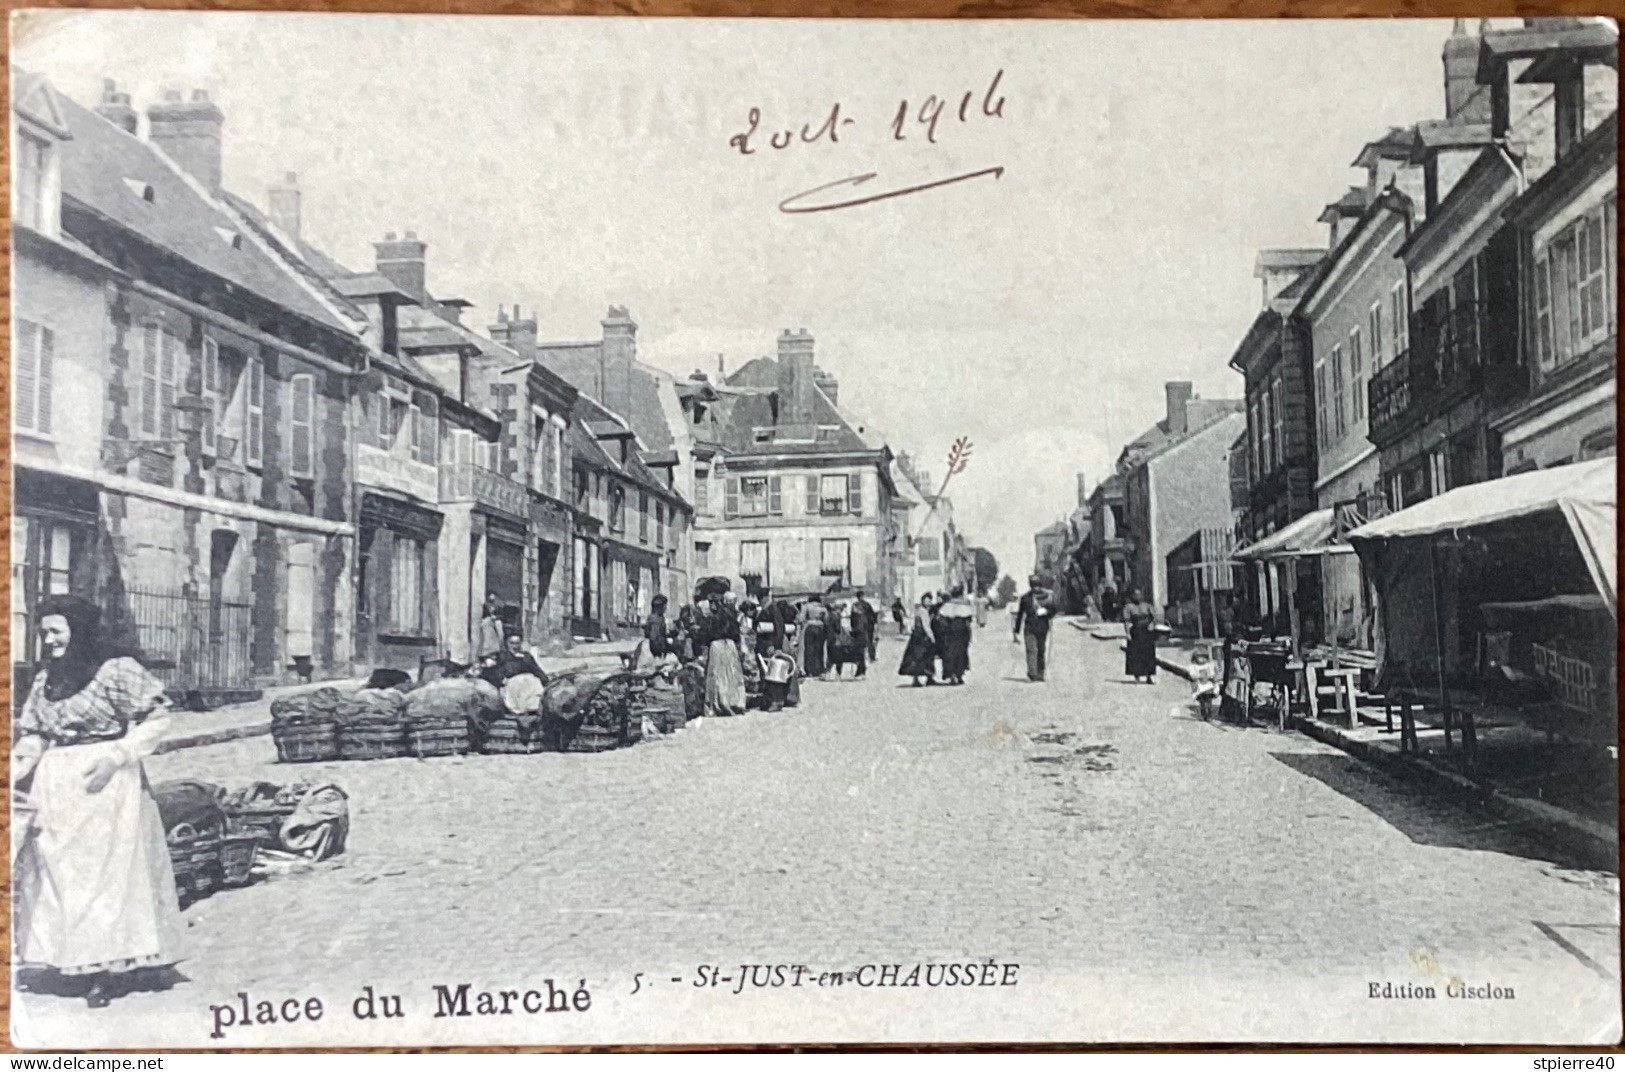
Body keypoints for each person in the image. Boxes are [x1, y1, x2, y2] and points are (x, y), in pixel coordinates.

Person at [13, 595, 182, 1008]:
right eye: (43, 632)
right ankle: (64, 961)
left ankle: (104, 972)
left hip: (105, 785)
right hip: (56, 786)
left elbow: (157, 718)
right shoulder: (46, 679)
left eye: (56, 631)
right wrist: (17, 767)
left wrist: (117, 757)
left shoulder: (117, 671)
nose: (48, 640)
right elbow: (35, 732)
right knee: (57, 875)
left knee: (103, 879)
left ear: (79, 630)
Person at [481, 629, 551, 714]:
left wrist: (546, 681)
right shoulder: (501, 656)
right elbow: (492, 672)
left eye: (517, 643)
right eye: (512, 643)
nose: (515, 646)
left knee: (535, 689)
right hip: (513, 684)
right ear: (506, 643)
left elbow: (536, 670)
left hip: (529, 684)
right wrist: (501, 679)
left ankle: (532, 708)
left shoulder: (526, 656)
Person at [702, 593, 747, 716]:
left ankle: (722, 703)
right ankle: (731, 702)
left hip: (718, 646)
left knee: (718, 675)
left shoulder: (713, 618)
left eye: (713, 603)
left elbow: (707, 635)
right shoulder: (730, 614)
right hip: (729, 645)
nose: (711, 606)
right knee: (731, 674)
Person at [1012, 575, 1055, 682]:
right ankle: (1032, 673)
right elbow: (1020, 614)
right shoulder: (1025, 598)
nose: (1036, 588)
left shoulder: (1047, 597)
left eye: (1038, 585)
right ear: (1031, 586)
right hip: (1029, 628)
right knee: (1031, 650)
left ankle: (1040, 673)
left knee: (1041, 650)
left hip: (1043, 627)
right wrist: (1016, 630)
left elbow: (1054, 610)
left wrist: (1046, 612)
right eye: (1034, 586)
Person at [935, 586, 975, 685]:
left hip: (950, 632)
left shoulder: (947, 605)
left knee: (950, 653)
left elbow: (942, 618)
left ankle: (952, 674)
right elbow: (969, 619)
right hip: (962, 631)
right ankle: (959, 675)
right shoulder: (965, 604)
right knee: (961, 653)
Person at [898, 593, 940, 686]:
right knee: (925, 657)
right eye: (927, 600)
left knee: (915, 658)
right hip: (922, 638)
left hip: (916, 636)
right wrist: (932, 637)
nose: (928, 602)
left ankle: (918, 679)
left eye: (929, 600)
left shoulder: (918, 610)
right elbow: (926, 626)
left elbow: (913, 624)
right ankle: (928, 678)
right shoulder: (923, 611)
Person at [1122, 587, 1159, 683]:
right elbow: (1126, 621)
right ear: (1132, 596)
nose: (1137, 597)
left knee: (1148, 654)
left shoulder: (1147, 606)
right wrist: (1127, 633)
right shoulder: (1128, 607)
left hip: (1147, 631)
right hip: (1135, 632)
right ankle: (1136, 676)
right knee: (1135, 655)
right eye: (1135, 595)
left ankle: (1149, 676)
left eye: (1139, 594)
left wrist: (1152, 624)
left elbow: (1154, 618)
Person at [798, 595, 830, 680]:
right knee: (819, 649)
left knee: (809, 649)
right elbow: (826, 620)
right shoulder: (822, 607)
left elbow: (801, 619)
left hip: (810, 627)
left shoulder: (806, 606)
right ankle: (819, 669)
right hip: (820, 628)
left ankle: (809, 670)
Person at [1190, 646, 1220, 719]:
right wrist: (1198, 676)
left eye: (1204, 657)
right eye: (1199, 658)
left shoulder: (1208, 665)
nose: (1202, 660)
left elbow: (1212, 674)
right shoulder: (1194, 667)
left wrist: (1211, 676)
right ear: (1195, 658)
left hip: (1208, 685)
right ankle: (1204, 714)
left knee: (1209, 700)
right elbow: (1193, 675)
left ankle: (1209, 713)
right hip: (1200, 685)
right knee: (1202, 701)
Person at [475, 592, 506, 662]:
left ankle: (499, 647)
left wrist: (496, 617)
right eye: (490, 596)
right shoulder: (485, 605)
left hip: (496, 621)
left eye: (493, 596)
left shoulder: (498, 606)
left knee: (499, 633)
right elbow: (483, 615)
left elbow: (501, 615)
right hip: (488, 622)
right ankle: (487, 650)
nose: (492, 597)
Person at [852, 590, 879, 665]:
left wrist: (853, 627)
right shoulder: (867, 605)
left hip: (858, 628)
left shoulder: (854, 605)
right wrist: (874, 622)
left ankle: (858, 659)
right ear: (862, 596)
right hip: (867, 627)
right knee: (870, 642)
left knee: (859, 644)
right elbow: (872, 615)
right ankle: (871, 657)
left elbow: (852, 617)